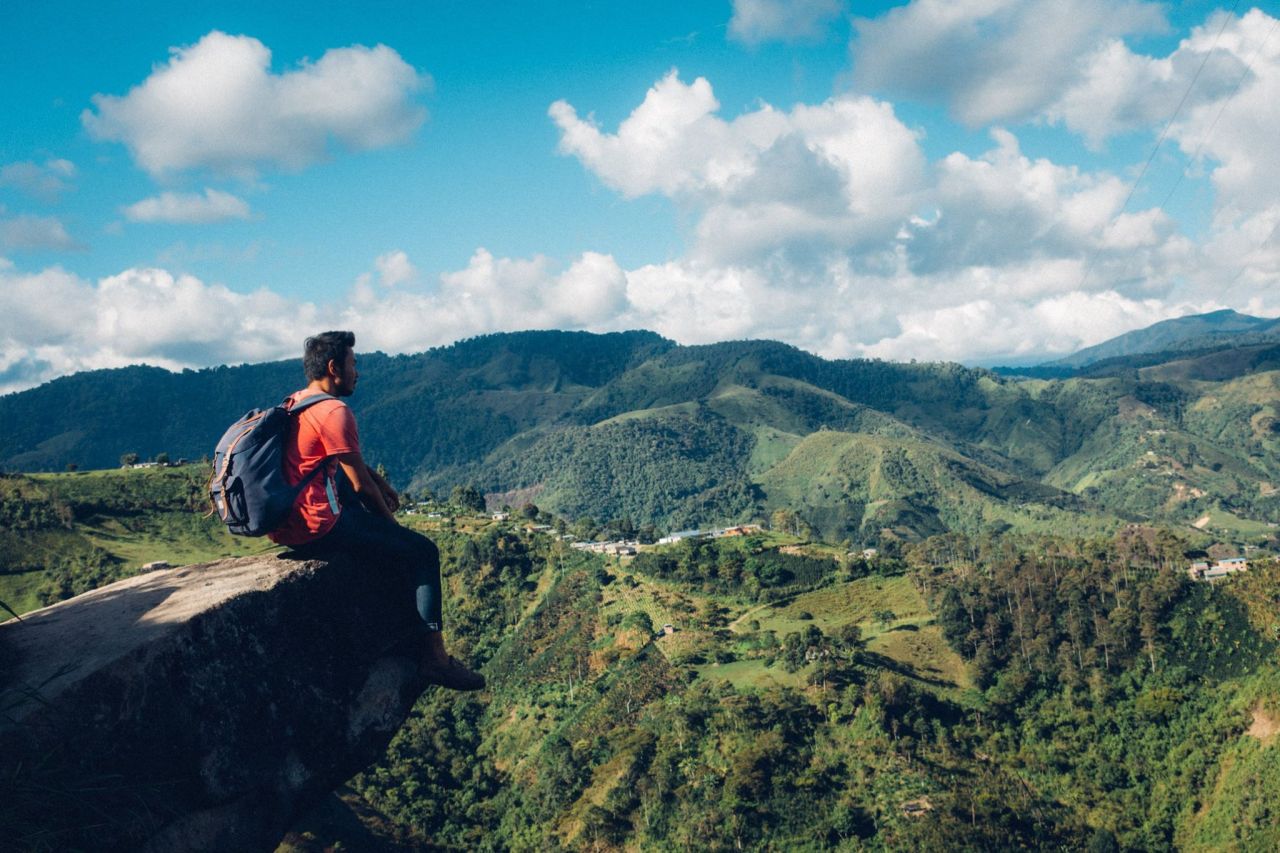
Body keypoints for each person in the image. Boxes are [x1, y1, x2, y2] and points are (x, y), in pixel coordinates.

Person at [269, 330, 484, 691]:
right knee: (422, 552)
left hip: (287, 523)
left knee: (378, 535)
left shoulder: (297, 403)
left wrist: (379, 482)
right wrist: (396, 530)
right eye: (354, 365)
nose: (358, 373)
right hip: (318, 526)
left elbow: (342, 461)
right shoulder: (335, 411)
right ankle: (435, 659)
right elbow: (359, 486)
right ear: (335, 368)